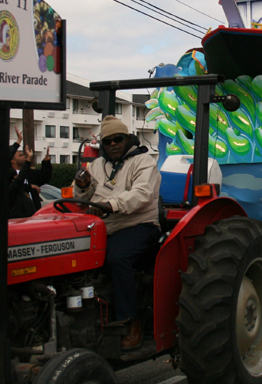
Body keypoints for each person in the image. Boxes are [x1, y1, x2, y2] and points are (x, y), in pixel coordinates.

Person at [73, 116, 161, 350]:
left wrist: (111, 205)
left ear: (127, 139)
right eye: (107, 141)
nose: (113, 144)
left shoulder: (143, 162)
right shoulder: (96, 166)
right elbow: (82, 199)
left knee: (117, 258)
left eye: (118, 139)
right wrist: (82, 186)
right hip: (104, 228)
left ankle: (130, 324)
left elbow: (141, 194)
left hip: (139, 225)